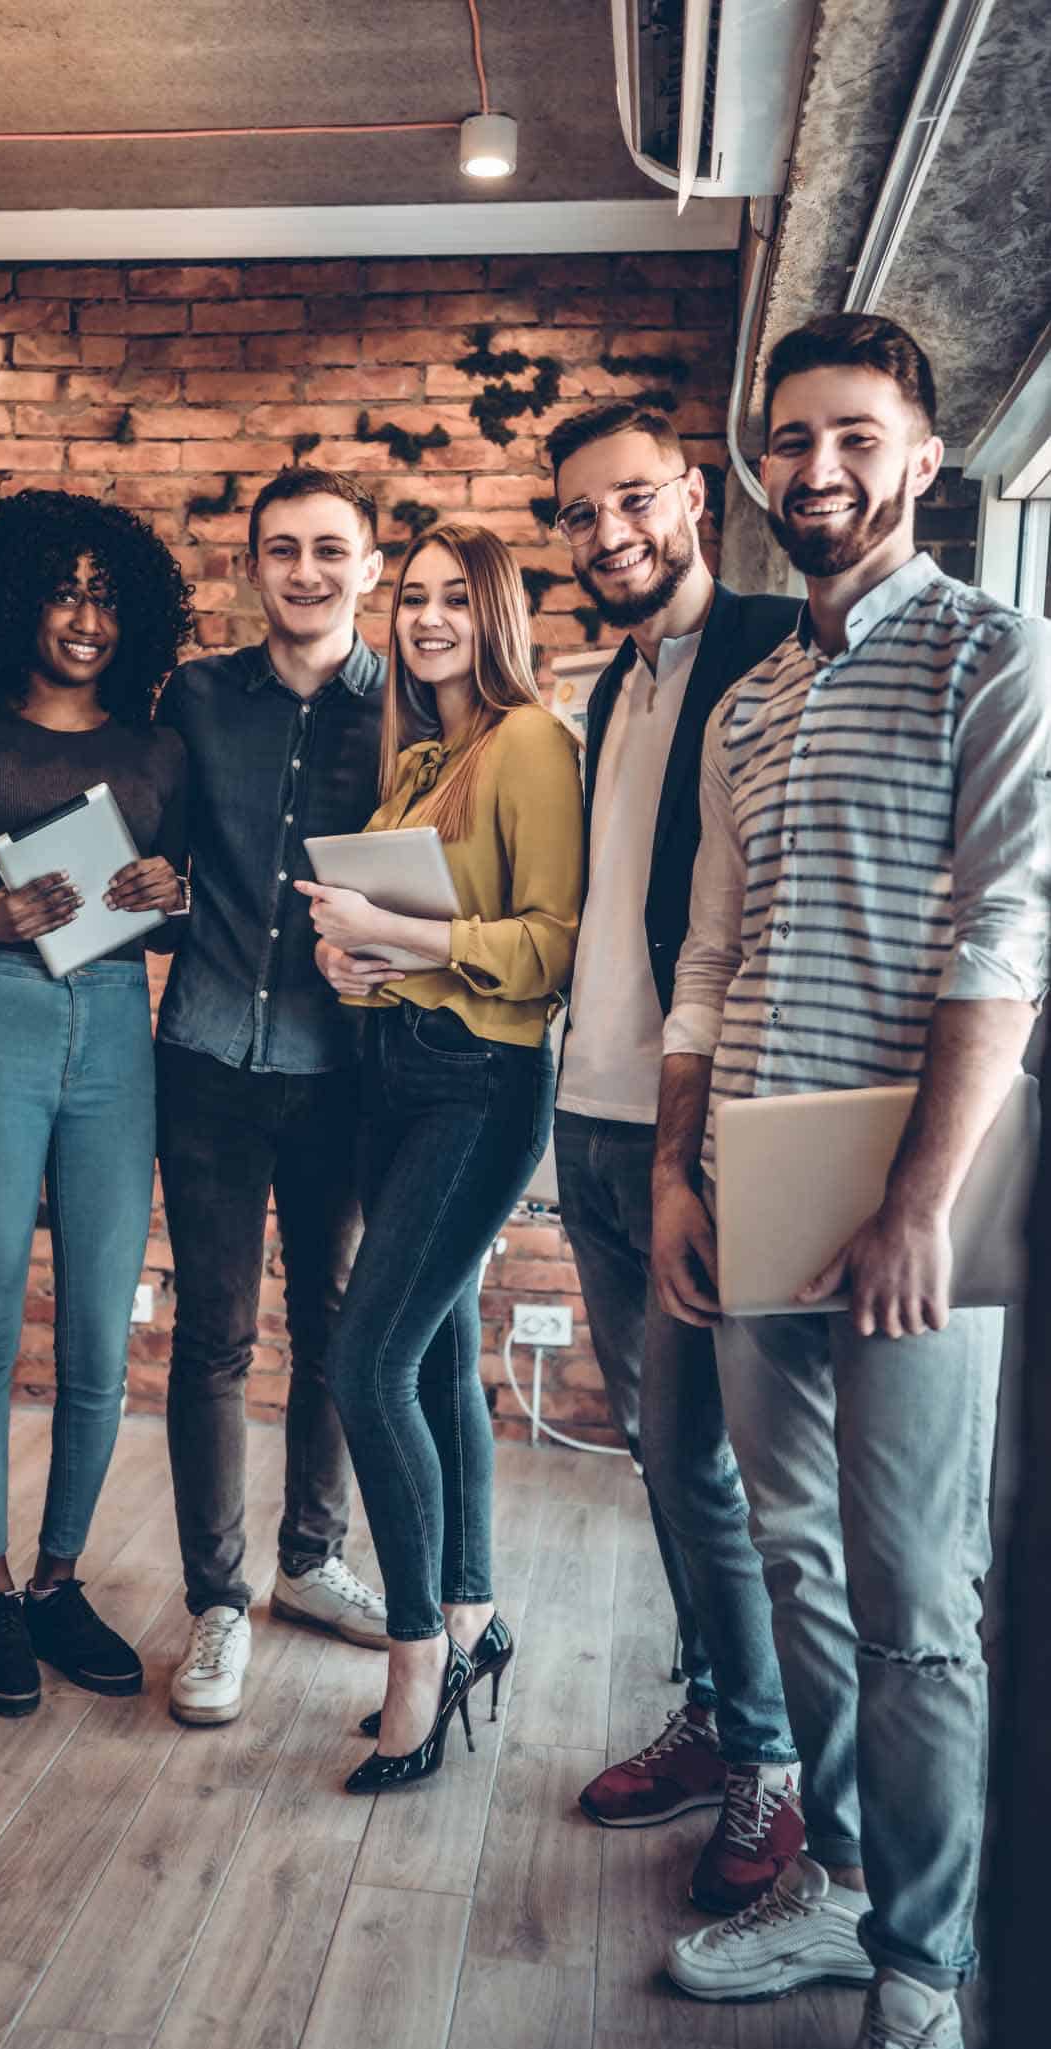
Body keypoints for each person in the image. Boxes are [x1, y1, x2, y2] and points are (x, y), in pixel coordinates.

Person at [653, 314, 1050, 2049]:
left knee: (914, 1601)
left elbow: (1004, 937)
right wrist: (675, 1161)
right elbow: (707, 962)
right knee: (791, 1563)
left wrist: (916, 1202)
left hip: (917, 1192)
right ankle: (834, 1890)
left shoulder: (993, 649)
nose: (813, 470)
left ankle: (925, 1979)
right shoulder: (746, 699)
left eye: (851, 438)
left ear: (917, 454)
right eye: (787, 441)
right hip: (754, 1165)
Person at [545, 402, 801, 1911]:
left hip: (699, 1127)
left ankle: (766, 1761)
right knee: (660, 1452)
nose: (606, 534)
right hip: (588, 1113)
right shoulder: (611, 688)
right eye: (577, 515)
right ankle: (715, 1719)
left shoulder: (777, 644)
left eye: (630, 501)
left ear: (692, 497)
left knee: (721, 1467)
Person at [304, 522, 583, 1792]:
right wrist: (344, 957)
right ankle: (472, 1613)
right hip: (396, 1074)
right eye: (410, 597)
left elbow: (549, 947)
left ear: (494, 613)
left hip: (479, 1084)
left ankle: (417, 1652)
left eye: (450, 599)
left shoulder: (526, 740)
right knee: (439, 1356)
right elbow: (399, 936)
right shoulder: (422, 754)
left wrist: (404, 942)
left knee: (370, 1359)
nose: (424, 619)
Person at [0, 489, 192, 1719]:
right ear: (21, 598)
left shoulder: (157, 749)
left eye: (105, 595)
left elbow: (198, 908)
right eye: (64, 590)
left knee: (97, 1333)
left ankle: (59, 1578)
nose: (85, 617)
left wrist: (169, 894)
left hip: (119, 1037)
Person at [153, 466, 391, 1729]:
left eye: (329, 548)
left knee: (337, 1330)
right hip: (203, 1060)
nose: (305, 570)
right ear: (252, 565)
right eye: (282, 549)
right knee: (214, 1336)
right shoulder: (194, 696)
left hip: (341, 1072)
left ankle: (309, 1557)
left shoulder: (406, 706)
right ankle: (217, 1601)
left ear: (370, 562)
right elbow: (163, 848)